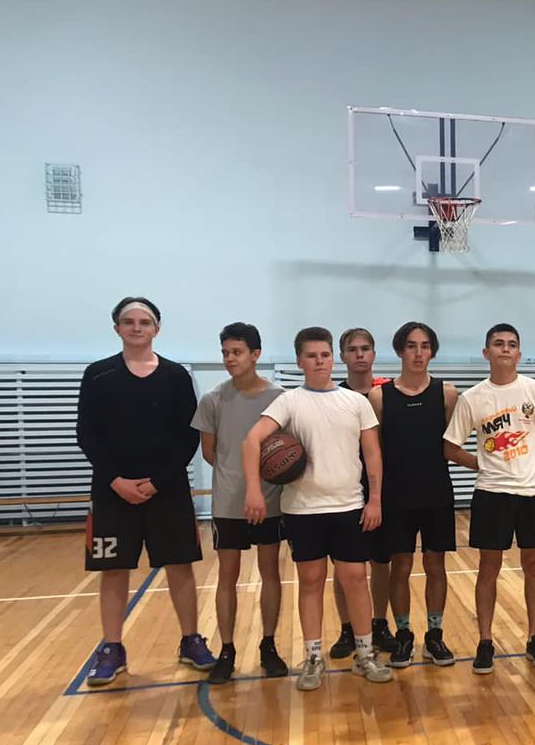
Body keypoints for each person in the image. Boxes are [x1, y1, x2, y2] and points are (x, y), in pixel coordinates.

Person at [242, 327, 393, 691]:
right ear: (300, 361)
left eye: (325, 355)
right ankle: (313, 657)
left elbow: (372, 453)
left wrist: (375, 499)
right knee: (310, 582)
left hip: (348, 506)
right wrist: (254, 491)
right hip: (302, 509)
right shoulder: (289, 401)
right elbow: (251, 440)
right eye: (311, 356)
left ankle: (365, 654)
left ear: (333, 358)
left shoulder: (356, 402)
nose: (319, 361)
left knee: (355, 580)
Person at [78, 296, 213, 686]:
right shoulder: (98, 374)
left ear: (157, 328)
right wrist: (115, 480)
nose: (137, 327)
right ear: (117, 328)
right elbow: (87, 433)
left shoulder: (175, 376)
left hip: (167, 491)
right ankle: (112, 648)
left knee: (180, 566)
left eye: (144, 322)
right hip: (112, 491)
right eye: (129, 321)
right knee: (113, 569)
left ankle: (190, 640)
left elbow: (188, 436)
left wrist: (158, 481)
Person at [442, 324, 535, 674]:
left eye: (511, 344)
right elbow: (450, 448)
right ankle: (485, 641)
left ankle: (534, 637)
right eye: (498, 344)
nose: (505, 349)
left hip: (533, 492)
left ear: (519, 353)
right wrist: (482, 463)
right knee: (489, 567)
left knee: (534, 566)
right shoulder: (473, 398)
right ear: (487, 353)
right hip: (492, 493)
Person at [192, 322, 288, 684]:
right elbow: (210, 452)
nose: (229, 359)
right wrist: (238, 477)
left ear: (255, 354)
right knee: (227, 576)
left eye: (237, 352)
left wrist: (263, 482)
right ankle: (227, 650)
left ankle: (269, 645)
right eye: (225, 353)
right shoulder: (212, 399)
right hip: (228, 504)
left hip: (271, 500)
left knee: (270, 572)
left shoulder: (280, 397)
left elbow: (287, 448)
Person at [366, 321, 459, 668]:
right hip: (397, 495)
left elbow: (450, 443)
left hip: (436, 491)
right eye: (411, 346)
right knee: (401, 566)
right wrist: (375, 496)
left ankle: (435, 635)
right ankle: (404, 634)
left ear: (432, 351)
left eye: (425, 346)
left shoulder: (447, 393)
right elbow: (374, 452)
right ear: (399, 350)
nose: (418, 353)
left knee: (436, 564)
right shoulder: (380, 397)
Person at [330, 328, 395, 660]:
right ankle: (347, 628)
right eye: (352, 349)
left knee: (381, 561)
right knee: (344, 566)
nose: (359, 354)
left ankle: (379, 624)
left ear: (374, 354)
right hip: (344, 490)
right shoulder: (333, 396)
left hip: (382, 488)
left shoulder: (389, 394)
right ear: (342, 356)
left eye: (365, 348)